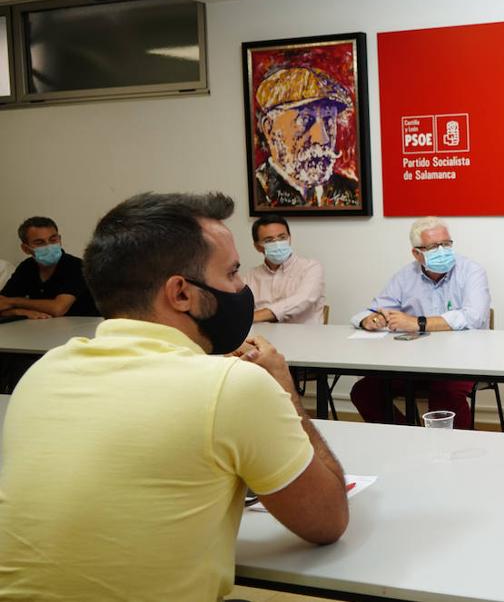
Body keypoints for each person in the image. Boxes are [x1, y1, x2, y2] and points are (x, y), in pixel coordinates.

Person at [0, 192, 348, 600]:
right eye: (233, 273)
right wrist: (285, 391)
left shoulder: (43, 373)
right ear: (181, 293)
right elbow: (328, 521)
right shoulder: (231, 386)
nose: (241, 288)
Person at [350, 216, 490, 429]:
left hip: (462, 361)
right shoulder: (405, 276)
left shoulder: (471, 271)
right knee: (365, 391)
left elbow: (473, 317)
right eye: (434, 246)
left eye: (446, 244)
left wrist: (418, 323)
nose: (443, 250)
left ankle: (456, 450)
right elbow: (374, 308)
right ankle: (406, 438)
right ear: (417, 253)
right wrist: (368, 320)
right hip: (415, 363)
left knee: (445, 392)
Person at [253, 66, 362, 209]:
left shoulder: (351, 191)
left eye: (329, 120)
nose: (322, 139)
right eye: (305, 120)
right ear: (269, 129)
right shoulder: (258, 191)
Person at [0, 216, 98, 320]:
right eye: (39, 242)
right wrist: (18, 311)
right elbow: (2, 302)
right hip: (40, 328)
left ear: (59, 239)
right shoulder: (27, 267)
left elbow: (58, 308)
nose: (49, 245)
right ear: (25, 249)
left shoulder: (76, 266)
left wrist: (14, 301)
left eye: (53, 239)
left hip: (83, 328)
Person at [240, 215, 326, 324]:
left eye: (282, 237)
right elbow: (239, 310)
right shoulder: (250, 277)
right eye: (269, 240)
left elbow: (303, 300)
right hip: (261, 338)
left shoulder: (311, 268)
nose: (277, 244)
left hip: (305, 338)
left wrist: (254, 316)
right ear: (257, 246)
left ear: (290, 238)